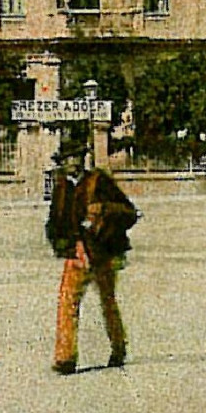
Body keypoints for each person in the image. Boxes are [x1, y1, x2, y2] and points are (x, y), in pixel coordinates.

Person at [46, 150, 137, 375]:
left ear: (82, 159)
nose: (71, 162)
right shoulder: (61, 188)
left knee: (108, 302)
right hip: (76, 255)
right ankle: (65, 357)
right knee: (67, 302)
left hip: (103, 253)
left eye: (75, 157)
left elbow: (129, 212)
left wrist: (102, 213)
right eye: (66, 159)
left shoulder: (99, 182)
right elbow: (53, 224)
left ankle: (118, 347)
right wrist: (64, 246)